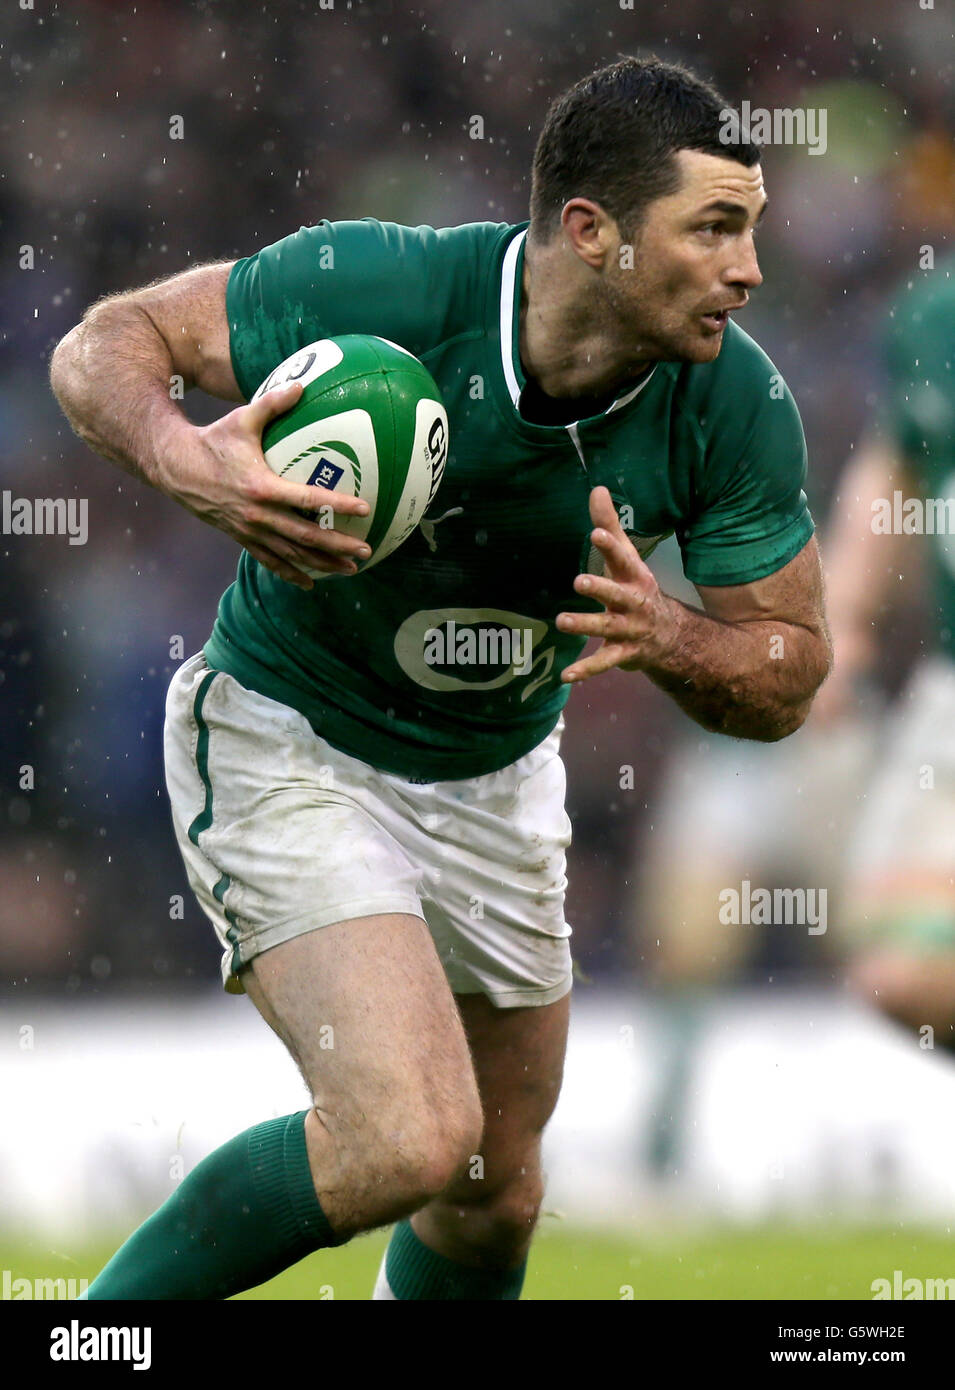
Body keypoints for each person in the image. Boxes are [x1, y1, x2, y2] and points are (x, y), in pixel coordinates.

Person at [49, 56, 830, 1300]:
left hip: (494, 773)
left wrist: (676, 637)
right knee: (406, 1139)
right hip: (290, 733)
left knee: (493, 1193)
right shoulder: (384, 286)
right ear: (594, 232)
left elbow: (789, 674)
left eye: (752, 229)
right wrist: (190, 461)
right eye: (714, 228)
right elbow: (104, 345)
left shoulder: (731, 404)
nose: (746, 268)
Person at [816, 256, 955, 1050]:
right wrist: (847, 619)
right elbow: (893, 460)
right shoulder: (931, 317)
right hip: (947, 690)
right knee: (890, 964)